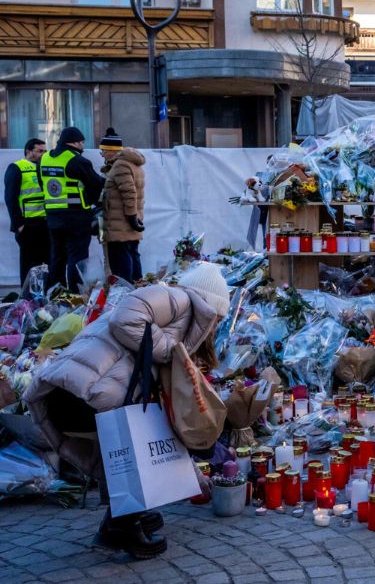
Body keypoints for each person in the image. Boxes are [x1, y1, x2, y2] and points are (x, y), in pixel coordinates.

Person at [24, 262, 231, 559]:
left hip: (76, 394)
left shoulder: (176, 316)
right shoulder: (178, 300)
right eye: (218, 317)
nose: (216, 325)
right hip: (79, 395)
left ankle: (126, 517)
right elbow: (125, 317)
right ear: (210, 306)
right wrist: (170, 351)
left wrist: (193, 478)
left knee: (131, 439)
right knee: (130, 442)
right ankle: (121, 525)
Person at [40, 127, 104, 292]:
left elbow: (43, 184)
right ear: (75, 142)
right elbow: (95, 183)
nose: (83, 146)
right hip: (76, 218)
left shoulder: (45, 158)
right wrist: (91, 202)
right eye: (82, 142)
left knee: (57, 257)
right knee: (77, 258)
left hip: (53, 217)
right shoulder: (77, 160)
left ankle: (55, 293)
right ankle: (76, 295)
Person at [98, 131, 146, 283]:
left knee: (120, 261)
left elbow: (129, 193)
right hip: (129, 221)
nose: (102, 154)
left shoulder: (120, 166)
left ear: (111, 151)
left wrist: (131, 217)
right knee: (132, 254)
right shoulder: (132, 164)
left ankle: (125, 291)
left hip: (120, 223)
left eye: (103, 151)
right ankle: (137, 287)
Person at [5, 138, 49, 286]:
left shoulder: (46, 168)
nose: (43, 154)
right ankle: (28, 301)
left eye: (45, 151)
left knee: (49, 264)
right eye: (40, 151)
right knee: (29, 266)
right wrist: (19, 225)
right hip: (29, 225)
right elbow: (10, 198)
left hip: (46, 223)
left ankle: (46, 299)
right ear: (28, 151)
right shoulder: (17, 167)